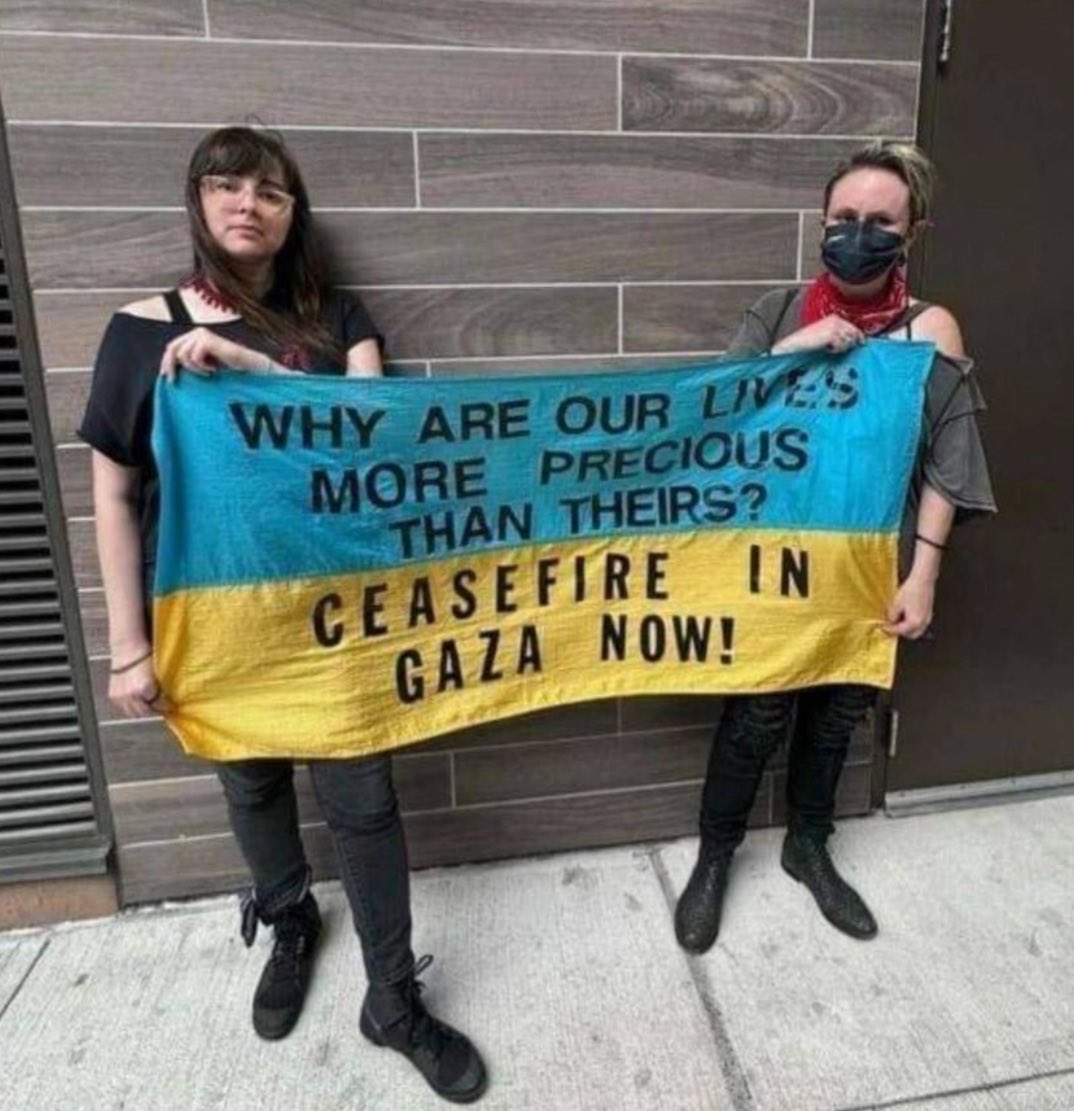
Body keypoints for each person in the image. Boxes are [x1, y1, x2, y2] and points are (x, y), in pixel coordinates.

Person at [80, 126, 487, 1104]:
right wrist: (128, 646)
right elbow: (111, 494)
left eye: (269, 190)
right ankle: (289, 914)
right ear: (198, 200)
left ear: (292, 213)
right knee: (253, 783)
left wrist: (256, 371)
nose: (247, 203)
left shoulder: (336, 316)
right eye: (225, 184)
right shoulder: (138, 329)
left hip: (339, 613)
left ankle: (391, 995)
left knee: (365, 800)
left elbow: (374, 438)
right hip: (217, 617)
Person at [675, 141, 996, 953]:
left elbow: (946, 464)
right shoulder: (779, 311)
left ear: (911, 230)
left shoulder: (931, 328)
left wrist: (922, 575)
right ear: (822, 224)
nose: (859, 233)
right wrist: (795, 351)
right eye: (844, 219)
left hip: (869, 565)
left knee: (836, 718)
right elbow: (710, 414)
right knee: (755, 715)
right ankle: (716, 854)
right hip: (774, 568)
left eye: (879, 221)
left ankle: (807, 843)